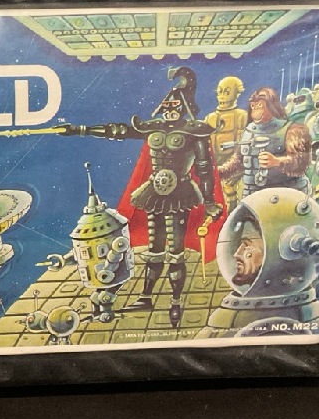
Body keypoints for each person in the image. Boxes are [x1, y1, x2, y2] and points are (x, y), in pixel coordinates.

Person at [60, 67, 221, 327]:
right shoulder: (152, 127)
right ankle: (146, 296)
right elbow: (119, 131)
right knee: (154, 249)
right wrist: (80, 129)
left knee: (175, 252)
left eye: (175, 105)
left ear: (185, 106)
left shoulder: (195, 131)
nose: (170, 109)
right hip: (154, 193)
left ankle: (175, 302)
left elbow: (204, 168)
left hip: (180, 193)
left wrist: (210, 201)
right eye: (167, 105)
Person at [219, 86, 311, 196]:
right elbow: (239, 161)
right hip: (253, 193)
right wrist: (219, 172)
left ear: (271, 106)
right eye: (253, 106)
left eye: (260, 105)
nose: (255, 110)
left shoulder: (292, 130)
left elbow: (301, 163)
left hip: (286, 192)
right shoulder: (249, 131)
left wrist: (276, 161)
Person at [205, 76, 248, 212]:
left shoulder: (242, 116)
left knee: (229, 187)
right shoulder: (210, 118)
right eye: (220, 91)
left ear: (237, 93)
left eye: (227, 92)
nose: (222, 96)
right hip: (215, 165)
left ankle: (232, 215)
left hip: (237, 166)